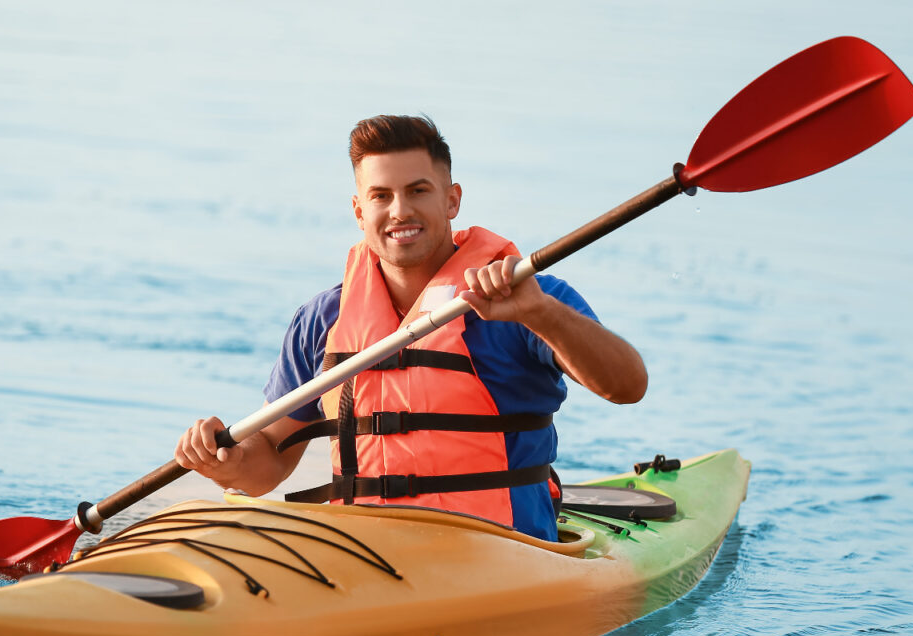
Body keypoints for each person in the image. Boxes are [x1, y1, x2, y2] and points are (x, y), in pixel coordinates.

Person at [175, 115, 646, 541]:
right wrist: (230, 464)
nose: (400, 211)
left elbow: (628, 386)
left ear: (452, 200)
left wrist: (540, 314)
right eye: (381, 196)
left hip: (504, 550)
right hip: (364, 551)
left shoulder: (527, 298)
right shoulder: (322, 320)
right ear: (360, 211)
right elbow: (269, 464)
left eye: (418, 191)